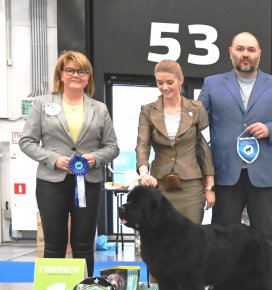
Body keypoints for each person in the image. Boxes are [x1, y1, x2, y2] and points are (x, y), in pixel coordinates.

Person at [198, 32, 272, 290]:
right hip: (225, 174)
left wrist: (271, 129)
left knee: (268, 237)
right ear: (230, 52)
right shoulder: (212, 84)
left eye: (251, 50)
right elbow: (194, 124)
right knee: (221, 238)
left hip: (265, 175)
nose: (246, 54)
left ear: (260, 54)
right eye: (241, 49)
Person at [19, 50, 120, 276]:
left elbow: (113, 147)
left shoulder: (99, 108)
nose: (76, 75)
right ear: (61, 75)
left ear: (88, 77)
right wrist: (54, 159)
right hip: (51, 183)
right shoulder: (42, 103)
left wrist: (96, 158)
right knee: (54, 245)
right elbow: (26, 141)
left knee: (84, 244)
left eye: (82, 71)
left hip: (90, 183)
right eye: (71, 70)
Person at [136, 59, 215, 223]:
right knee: (162, 239)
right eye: (160, 82)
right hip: (160, 184)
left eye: (169, 82)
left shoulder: (197, 108)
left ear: (181, 80)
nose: (164, 87)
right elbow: (142, 145)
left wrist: (209, 187)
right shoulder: (147, 110)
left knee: (192, 240)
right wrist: (144, 173)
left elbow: (205, 148)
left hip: (191, 185)